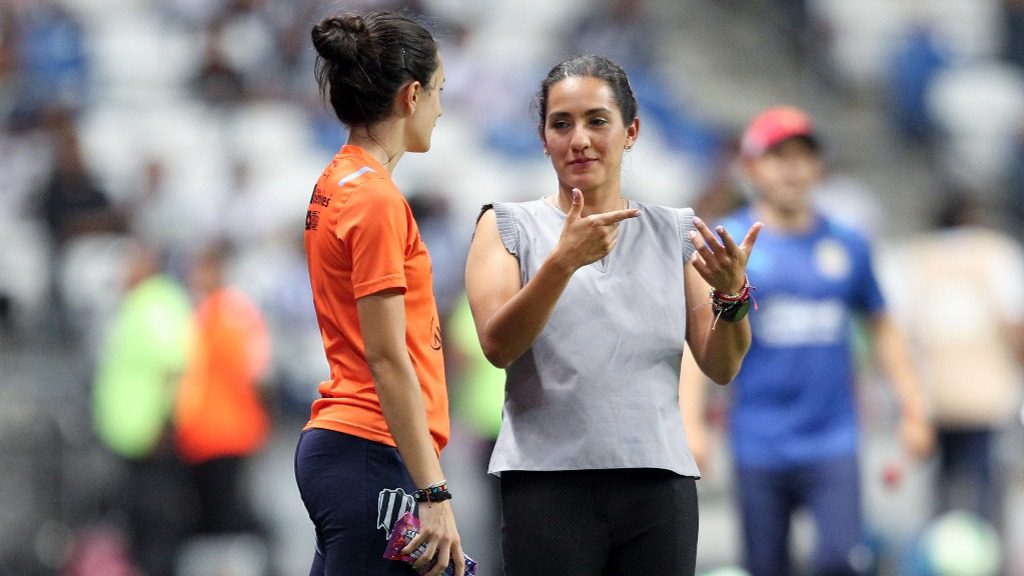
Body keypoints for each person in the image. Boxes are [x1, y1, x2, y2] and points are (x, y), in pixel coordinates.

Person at [464, 54, 762, 576]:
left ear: (631, 132)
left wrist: (732, 296)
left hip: (657, 485)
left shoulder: (677, 232)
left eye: (597, 121)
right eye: (562, 124)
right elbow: (497, 346)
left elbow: (721, 365)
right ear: (542, 138)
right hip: (546, 482)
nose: (579, 138)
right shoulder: (505, 226)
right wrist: (561, 264)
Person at [684, 106, 935, 576]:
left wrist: (914, 407)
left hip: (833, 439)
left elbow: (882, 325)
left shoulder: (848, 244)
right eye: (778, 156)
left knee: (839, 560)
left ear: (819, 166)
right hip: (758, 439)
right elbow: (697, 339)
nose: (792, 167)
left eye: (803, 155)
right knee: (766, 565)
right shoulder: (728, 244)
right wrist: (692, 425)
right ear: (752, 167)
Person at [293, 10, 465, 576]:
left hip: (352, 451)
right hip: (371, 450)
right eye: (439, 91)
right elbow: (387, 355)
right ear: (411, 95)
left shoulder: (336, 181)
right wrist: (434, 492)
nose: (441, 109)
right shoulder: (376, 201)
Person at [881, 193, 1024, 528]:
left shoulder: (912, 257)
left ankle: (939, 552)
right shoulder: (996, 252)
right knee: (987, 483)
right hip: (988, 395)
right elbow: (1014, 323)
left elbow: (897, 330)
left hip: (933, 393)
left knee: (941, 485)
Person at [174, 243, 272, 536]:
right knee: (209, 514)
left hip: (229, 430)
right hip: (202, 432)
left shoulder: (234, 312)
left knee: (227, 513)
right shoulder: (203, 311)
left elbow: (257, 372)